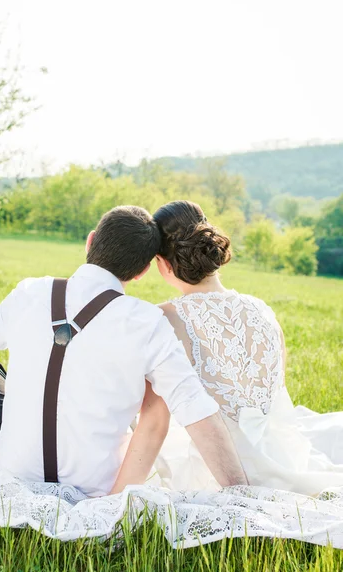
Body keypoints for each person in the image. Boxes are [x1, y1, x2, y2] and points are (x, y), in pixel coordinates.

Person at [0, 205, 247, 498]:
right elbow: (195, 408)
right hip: (96, 486)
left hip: (14, 471)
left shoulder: (29, 292)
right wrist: (242, 495)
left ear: (91, 240)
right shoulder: (147, 322)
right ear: (142, 272)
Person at [145, 200, 343, 495]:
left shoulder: (165, 317)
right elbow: (278, 393)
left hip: (214, 466)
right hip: (283, 452)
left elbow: (153, 410)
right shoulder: (262, 309)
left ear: (163, 263)